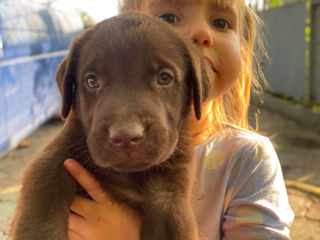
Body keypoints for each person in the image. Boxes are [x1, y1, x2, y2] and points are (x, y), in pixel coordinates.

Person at [63, 0, 294, 239]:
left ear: (242, 54)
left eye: (220, 23)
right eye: (168, 18)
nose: (202, 32)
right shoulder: (103, 141)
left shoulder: (249, 160)